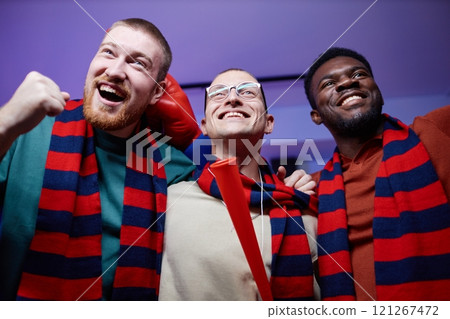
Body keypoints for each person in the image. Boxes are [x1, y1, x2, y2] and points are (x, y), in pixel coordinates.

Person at [0, 18, 201, 301]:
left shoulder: (174, 168)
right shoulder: (29, 129)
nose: (116, 70)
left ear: (157, 91)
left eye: (138, 63)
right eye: (108, 52)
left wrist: (281, 186)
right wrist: (5, 121)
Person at [159, 68, 320, 300]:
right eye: (218, 94)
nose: (232, 98)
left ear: (268, 123)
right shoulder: (168, 201)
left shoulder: (301, 209)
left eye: (247, 92)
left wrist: (289, 195)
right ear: (204, 125)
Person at [303, 47, 450, 301]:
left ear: (377, 91)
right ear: (316, 115)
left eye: (358, 74)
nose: (348, 82)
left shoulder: (435, 129)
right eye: (329, 83)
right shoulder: (312, 189)